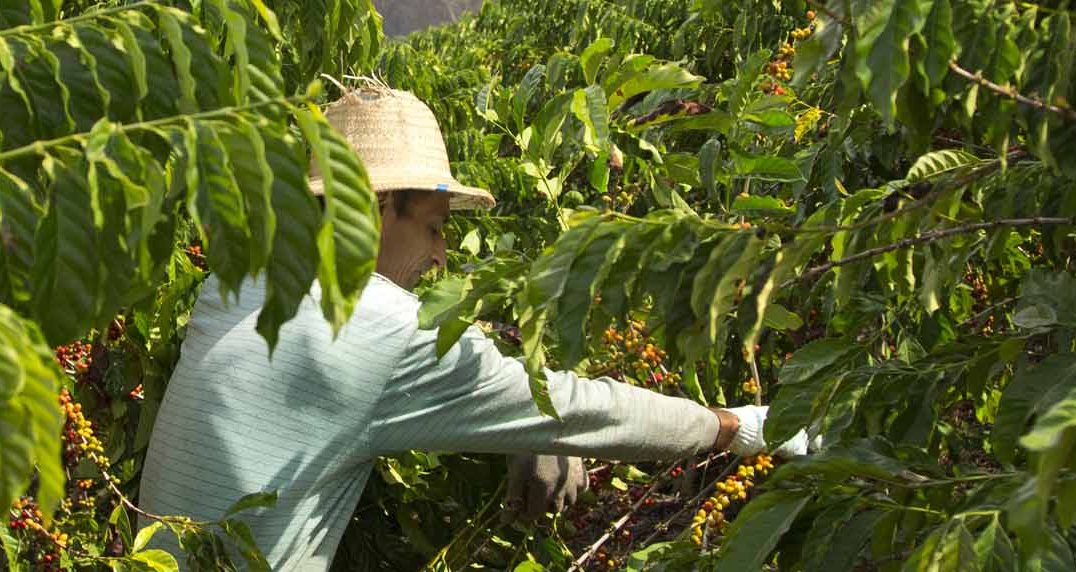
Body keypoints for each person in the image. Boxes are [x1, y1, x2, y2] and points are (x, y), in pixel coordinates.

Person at [135, 86, 818, 571]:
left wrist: (517, 419)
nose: (439, 258)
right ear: (372, 208)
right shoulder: (388, 332)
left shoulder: (231, 286)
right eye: (433, 230)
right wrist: (733, 428)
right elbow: (585, 409)